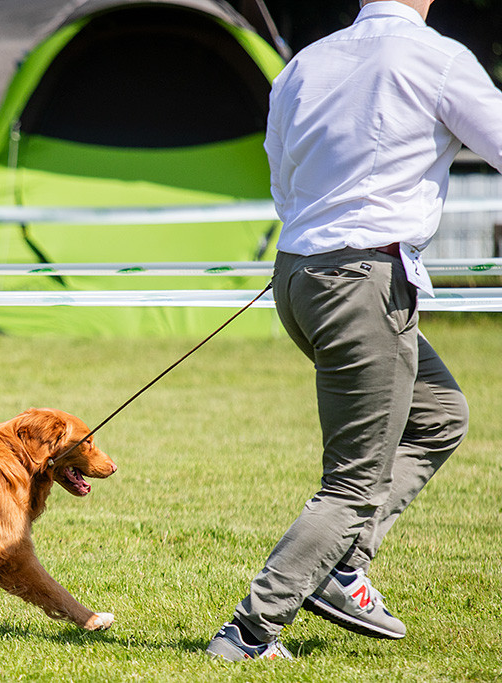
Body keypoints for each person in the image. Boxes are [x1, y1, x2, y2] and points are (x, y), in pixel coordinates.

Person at [206, 0, 502, 662]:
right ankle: (250, 633)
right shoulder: (438, 59)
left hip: (299, 275)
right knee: (353, 481)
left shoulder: (304, 63)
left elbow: (283, 181)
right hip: (363, 281)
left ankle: (341, 570)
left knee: (440, 414)